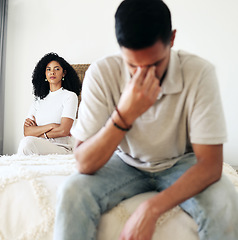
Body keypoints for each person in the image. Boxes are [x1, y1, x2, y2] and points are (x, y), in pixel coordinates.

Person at [54, 0, 238, 239]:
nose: (143, 75)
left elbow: (211, 165)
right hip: (124, 163)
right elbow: (83, 163)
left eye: (154, 64)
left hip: (182, 163)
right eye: (132, 65)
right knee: (72, 192)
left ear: (172, 39)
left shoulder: (199, 73)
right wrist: (125, 115)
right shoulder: (101, 73)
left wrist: (151, 209)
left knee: (225, 200)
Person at [17, 52, 81, 155]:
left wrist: (38, 132)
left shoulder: (70, 96)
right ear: (45, 74)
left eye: (56, 69)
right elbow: (27, 132)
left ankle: (22, 169)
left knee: (27, 143)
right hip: (38, 144)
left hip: (61, 147)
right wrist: (51, 126)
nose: (52, 72)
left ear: (63, 73)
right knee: (26, 142)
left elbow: (63, 131)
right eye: (48, 69)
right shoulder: (38, 99)